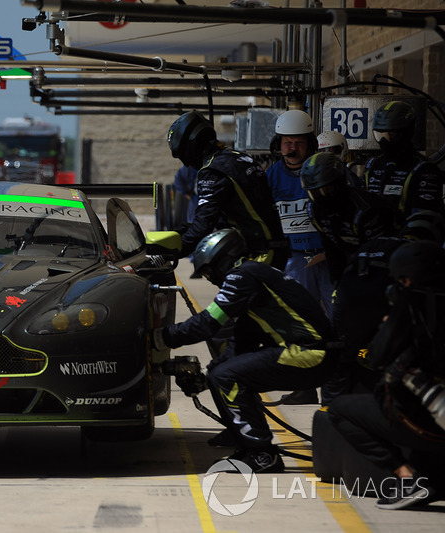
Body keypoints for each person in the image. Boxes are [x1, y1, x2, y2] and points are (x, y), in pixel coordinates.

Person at [153, 229, 336, 473]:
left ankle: (262, 454)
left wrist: (160, 337)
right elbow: (245, 337)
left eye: (208, 271)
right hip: (308, 351)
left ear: (223, 259)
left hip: (311, 353)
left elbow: (208, 322)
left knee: (227, 376)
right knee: (220, 372)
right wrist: (208, 378)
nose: (209, 278)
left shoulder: (242, 276)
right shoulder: (254, 273)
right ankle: (243, 437)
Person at [327, 241, 445, 510]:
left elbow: (377, 356)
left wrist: (390, 321)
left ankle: (409, 478)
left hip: (428, 422)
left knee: (340, 410)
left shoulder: (411, 304)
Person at [167, 111, 288, 270]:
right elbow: (234, 214)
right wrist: (185, 230)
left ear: (191, 146)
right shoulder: (238, 157)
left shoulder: (213, 170)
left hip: (260, 254)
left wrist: (168, 253)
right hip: (273, 249)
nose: (188, 164)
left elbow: (204, 224)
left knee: (232, 294)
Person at [266, 109, 331, 405]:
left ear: (310, 144)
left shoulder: (325, 169)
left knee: (338, 320)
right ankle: (305, 386)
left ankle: (338, 384)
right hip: (293, 260)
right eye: (286, 142)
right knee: (300, 324)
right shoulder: (269, 177)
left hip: (328, 258)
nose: (292, 148)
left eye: (298, 142)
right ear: (278, 144)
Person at [300, 152, 397, 285]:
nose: (322, 198)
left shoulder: (366, 210)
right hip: (353, 259)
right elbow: (331, 250)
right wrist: (337, 285)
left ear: (340, 182)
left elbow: (380, 254)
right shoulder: (314, 210)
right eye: (314, 193)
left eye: (326, 190)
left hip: (389, 261)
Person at [362, 100, 445, 217]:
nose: (384, 142)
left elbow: (424, 217)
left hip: (405, 231)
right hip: (373, 231)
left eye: (390, 135)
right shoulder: (373, 165)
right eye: (379, 136)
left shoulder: (425, 169)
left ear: (406, 133)